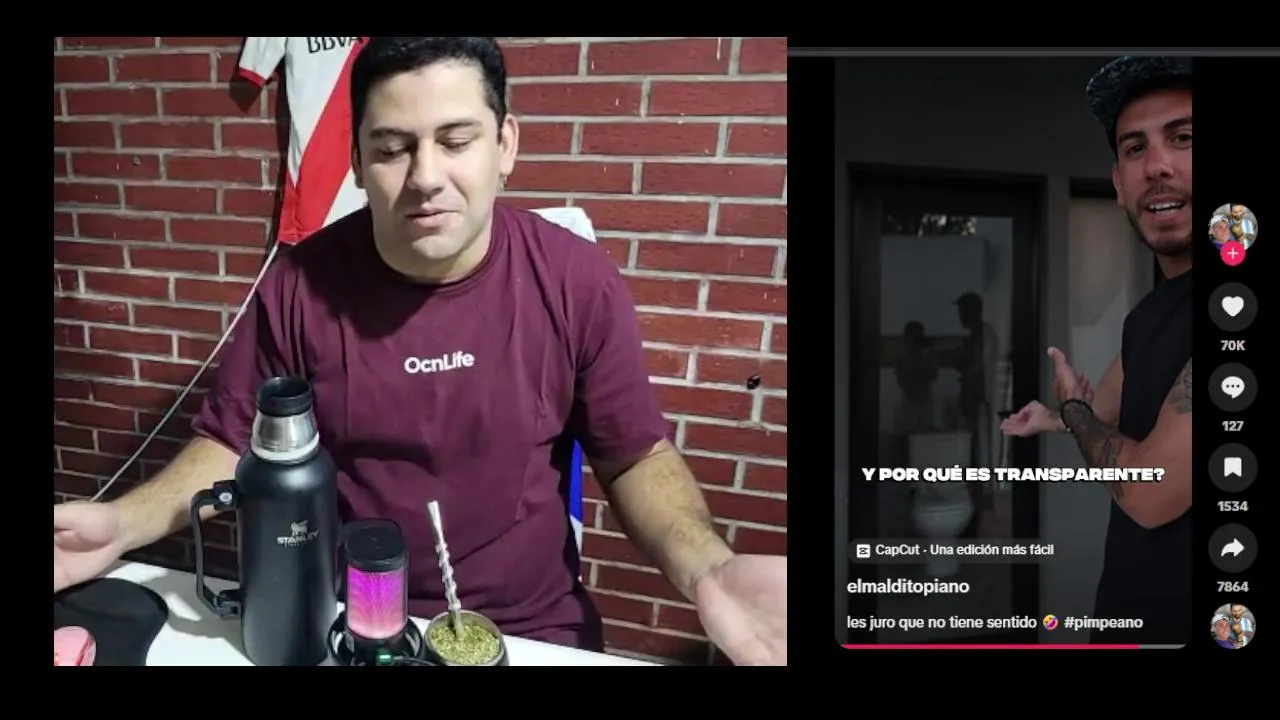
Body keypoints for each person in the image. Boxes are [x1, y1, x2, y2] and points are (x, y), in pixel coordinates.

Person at [52, 37, 786, 666]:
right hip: (346, 617)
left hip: (526, 628)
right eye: (392, 148)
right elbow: (235, 442)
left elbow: (635, 456)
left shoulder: (575, 279)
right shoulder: (298, 286)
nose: (426, 177)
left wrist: (708, 569)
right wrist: (123, 525)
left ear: (505, 146)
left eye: (456, 141)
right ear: (357, 160)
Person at [999, 56, 1193, 645]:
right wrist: (1054, 417)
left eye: (1183, 138)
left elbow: (1149, 491)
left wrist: (1073, 410)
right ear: (1118, 184)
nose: (1156, 166)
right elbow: (1105, 409)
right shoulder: (1148, 317)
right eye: (1135, 149)